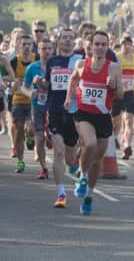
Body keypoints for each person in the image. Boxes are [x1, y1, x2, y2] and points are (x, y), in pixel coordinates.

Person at [65, 31, 123, 215]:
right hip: (83, 114)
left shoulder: (113, 67)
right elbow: (73, 79)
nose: (99, 47)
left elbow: (120, 94)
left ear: (107, 46)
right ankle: (82, 177)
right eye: (96, 44)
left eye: (103, 44)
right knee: (89, 143)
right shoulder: (81, 64)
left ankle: (89, 195)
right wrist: (68, 98)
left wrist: (113, 85)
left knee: (98, 161)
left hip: (103, 116)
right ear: (90, 47)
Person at [44, 28, 83, 208]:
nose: (67, 41)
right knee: (58, 151)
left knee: (69, 157)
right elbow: (48, 86)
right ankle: (61, 194)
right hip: (55, 110)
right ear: (58, 42)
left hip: (74, 111)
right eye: (64, 38)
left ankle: (75, 167)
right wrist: (40, 83)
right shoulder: (52, 61)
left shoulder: (79, 61)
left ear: (74, 42)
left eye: (70, 38)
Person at [22, 38, 53, 179]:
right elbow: (25, 86)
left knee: (56, 139)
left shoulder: (57, 67)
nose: (47, 51)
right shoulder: (32, 68)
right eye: (43, 49)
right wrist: (30, 92)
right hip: (37, 106)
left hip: (54, 106)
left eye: (49, 48)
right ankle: (44, 168)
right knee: (39, 139)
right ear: (38, 50)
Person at [10, 34, 37, 173]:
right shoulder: (15, 61)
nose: (26, 47)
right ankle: (20, 161)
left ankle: (30, 137)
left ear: (33, 46)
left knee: (31, 129)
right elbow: (10, 81)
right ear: (19, 46)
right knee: (19, 130)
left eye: (29, 44)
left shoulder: (36, 60)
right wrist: (13, 84)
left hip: (34, 101)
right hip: (18, 100)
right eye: (24, 44)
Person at [113, 36, 134, 160]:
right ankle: (114, 137)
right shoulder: (117, 57)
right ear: (121, 45)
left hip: (129, 93)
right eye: (124, 44)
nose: (126, 46)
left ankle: (127, 146)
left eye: (129, 44)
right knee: (117, 122)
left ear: (132, 46)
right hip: (117, 93)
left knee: (129, 120)